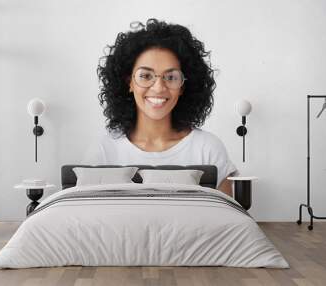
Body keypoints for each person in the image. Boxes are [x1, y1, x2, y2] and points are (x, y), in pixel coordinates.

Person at [83, 19, 237, 196]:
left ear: (183, 87)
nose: (158, 88)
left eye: (171, 77)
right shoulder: (104, 150)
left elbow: (226, 216)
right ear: (129, 82)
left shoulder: (207, 149)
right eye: (146, 75)